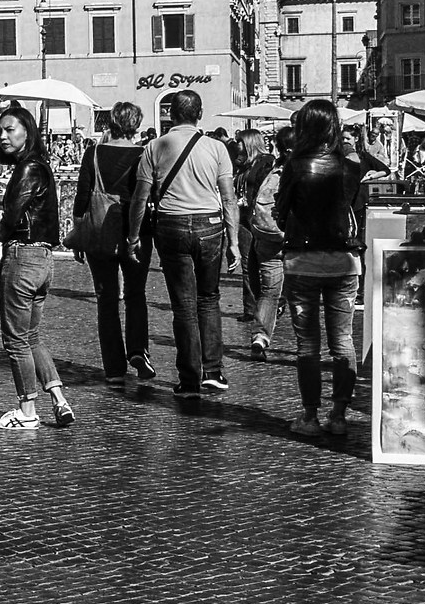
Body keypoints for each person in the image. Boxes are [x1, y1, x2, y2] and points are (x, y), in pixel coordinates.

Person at [128, 89, 238, 406]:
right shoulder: (217, 148)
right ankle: (213, 372)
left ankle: (189, 378)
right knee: (209, 298)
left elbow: (141, 197)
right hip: (210, 226)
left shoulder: (155, 147)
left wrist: (134, 236)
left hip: (171, 226)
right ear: (199, 114)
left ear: (171, 114)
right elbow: (228, 198)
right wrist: (234, 242)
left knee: (184, 306)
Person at [275, 100, 367, 437]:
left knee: (308, 345)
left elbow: (281, 211)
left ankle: (310, 416)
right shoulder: (350, 165)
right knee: (343, 340)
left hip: (304, 261)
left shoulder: (295, 165)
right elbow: (355, 207)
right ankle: (340, 415)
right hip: (344, 261)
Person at [0, 105, 72, 430]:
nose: (3, 136)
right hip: (43, 260)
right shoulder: (42, 165)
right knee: (31, 336)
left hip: (23, 257)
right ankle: (59, 399)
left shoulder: (28, 168)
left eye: (10, 129)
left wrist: (0, 233)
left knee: (16, 341)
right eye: (0, 131)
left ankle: (27, 411)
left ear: (27, 131)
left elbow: (11, 214)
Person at [72, 102, 155, 386]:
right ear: (137, 125)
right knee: (136, 293)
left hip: (100, 229)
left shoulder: (93, 153)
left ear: (111, 122)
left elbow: (82, 195)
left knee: (106, 299)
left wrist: (78, 233)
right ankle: (137, 350)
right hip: (137, 229)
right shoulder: (145, 154)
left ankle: (114, 368)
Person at [242, 126, 289, 359]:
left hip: (267, 236)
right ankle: (306, 343)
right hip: (297, 240)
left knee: (269, 291)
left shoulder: (272, 170)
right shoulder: (304, 169)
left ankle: (260, 336)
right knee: (301, 291)